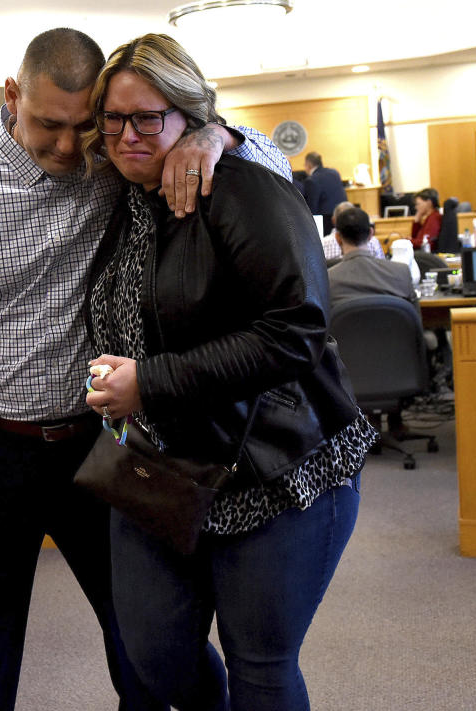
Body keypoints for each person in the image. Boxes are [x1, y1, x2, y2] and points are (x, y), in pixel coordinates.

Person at [0, 27, 291, 711]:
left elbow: (270, 170)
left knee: (148, 634)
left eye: (82, 126)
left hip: (101, 443)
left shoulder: (117, 163)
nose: (69, 147)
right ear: (12, 96)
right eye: (48, 124)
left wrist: (215, 136)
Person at [80, 34, 375, 711]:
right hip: (162, 466)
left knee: (261, 664)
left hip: (276, 466)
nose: (127, 135)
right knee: (155, 652)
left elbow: (296, 330)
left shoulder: (243, 188)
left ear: (191, 116)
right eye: (114, 119)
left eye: (147, 117)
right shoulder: (121, 203)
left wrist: (148, 381)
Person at [327, 207, 419, 310]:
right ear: (371, 234)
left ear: (338, 238)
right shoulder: (401, 272)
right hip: (390, 326)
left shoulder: (328, 280)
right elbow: (415, 320)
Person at [302, 150, 347, 235]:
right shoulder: (335, 172)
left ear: (309, 165)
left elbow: (312, 207)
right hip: (343, 214)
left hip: (326, 222)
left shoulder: (311, 180)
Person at [410, 187, 441, 252]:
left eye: (418, 204)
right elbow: (415, 237)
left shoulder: (434, 218)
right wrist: (417, 220)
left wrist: (408, 241)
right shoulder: (430, 217)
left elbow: (426, 242)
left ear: (429, 203)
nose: (416, 207)